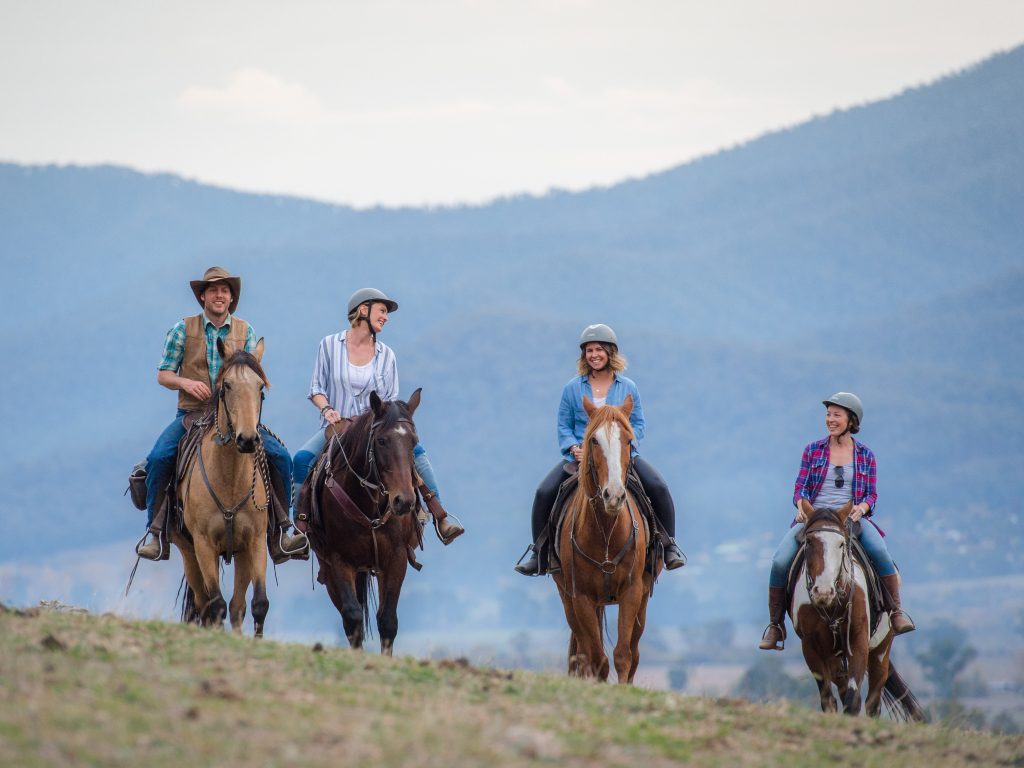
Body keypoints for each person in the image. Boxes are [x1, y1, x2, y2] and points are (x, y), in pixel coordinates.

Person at [134, 266, 308, 563]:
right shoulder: (182, 329)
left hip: (238, 415)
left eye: (224, 291)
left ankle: (282, 529)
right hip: (192, 412)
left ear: (231, 298)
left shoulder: (246, 332)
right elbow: (163, 374)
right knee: (160, 457)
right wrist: (185, 382)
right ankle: (156, 532)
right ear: (202, 296)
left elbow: (253, 379)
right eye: (212, 290)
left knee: (280, 457)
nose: (219, 295)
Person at [291, 288, 464, 544]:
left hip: (376, 428)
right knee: (301, 459)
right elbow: (316, 389)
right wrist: (327, 409)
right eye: (382, 311)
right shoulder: (329, 345)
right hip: (337, 427)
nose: (386, 317)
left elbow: (391, 401)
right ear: (363, 310)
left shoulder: (387, 356)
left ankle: (440, 517)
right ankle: (299, 529)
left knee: (419, 457)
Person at [515, 323, 685, 576]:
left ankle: (669, 546)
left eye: (599, 349)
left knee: (658, 487)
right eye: (589, 350)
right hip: (583, 457)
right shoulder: (573, 388)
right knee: (543, 492)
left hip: (621, 455)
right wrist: (574, 447)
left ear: (611, 352)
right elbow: (564, 425)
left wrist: (622, 445)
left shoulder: (628, 387)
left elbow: (637, 424)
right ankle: (540, 553)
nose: (593, 355)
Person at [759, 392, 915, 651]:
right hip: (816, 519)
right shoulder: (812, 450)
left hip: (849, 519)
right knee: (780, 560)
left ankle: (896, 612)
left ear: (851, 420)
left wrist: (862, 507)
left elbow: (871, 495)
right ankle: (775, 625)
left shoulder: (866, 455)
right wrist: (801, 505)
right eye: (828, 414)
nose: (830, 419)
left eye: (836, 415)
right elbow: (800, 488)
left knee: (880, 552)